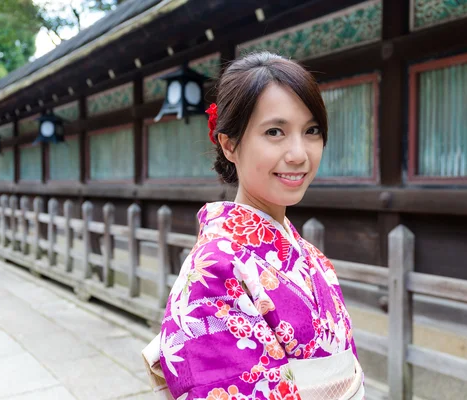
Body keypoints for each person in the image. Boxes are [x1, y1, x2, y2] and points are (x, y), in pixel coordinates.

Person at [142, 51, 365, 400]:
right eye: (275, 131)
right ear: (230, 144)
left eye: (311, 131)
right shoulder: (214, 272)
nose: (298, 154)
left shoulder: (311, 256)